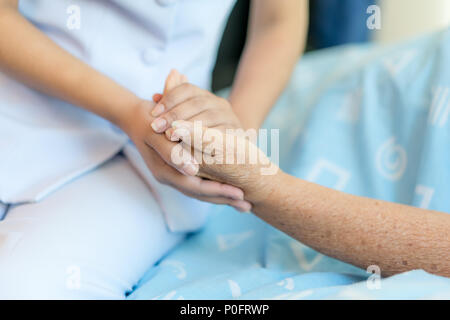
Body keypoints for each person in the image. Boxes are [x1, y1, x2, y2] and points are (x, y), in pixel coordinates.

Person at [0, 0, 307, 299]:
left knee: (25, 287)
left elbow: (277, 21)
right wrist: (128, 112)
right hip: (14, 91)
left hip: (148, 162)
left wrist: (231, 138)